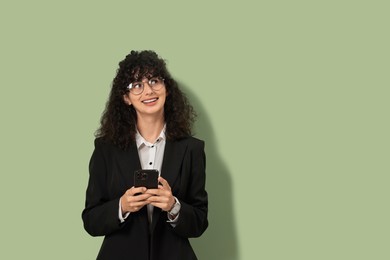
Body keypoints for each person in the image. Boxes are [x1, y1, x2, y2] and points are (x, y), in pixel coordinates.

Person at [82, 50, 208, 260]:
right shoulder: (106, 149)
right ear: (126, 97)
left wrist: (173, 206)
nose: (148, 90)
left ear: (166, 88)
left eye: (154, 80)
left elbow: (200, 222)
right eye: (136, 85)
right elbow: (91, 220)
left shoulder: (191, 149)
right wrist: (122, 206)